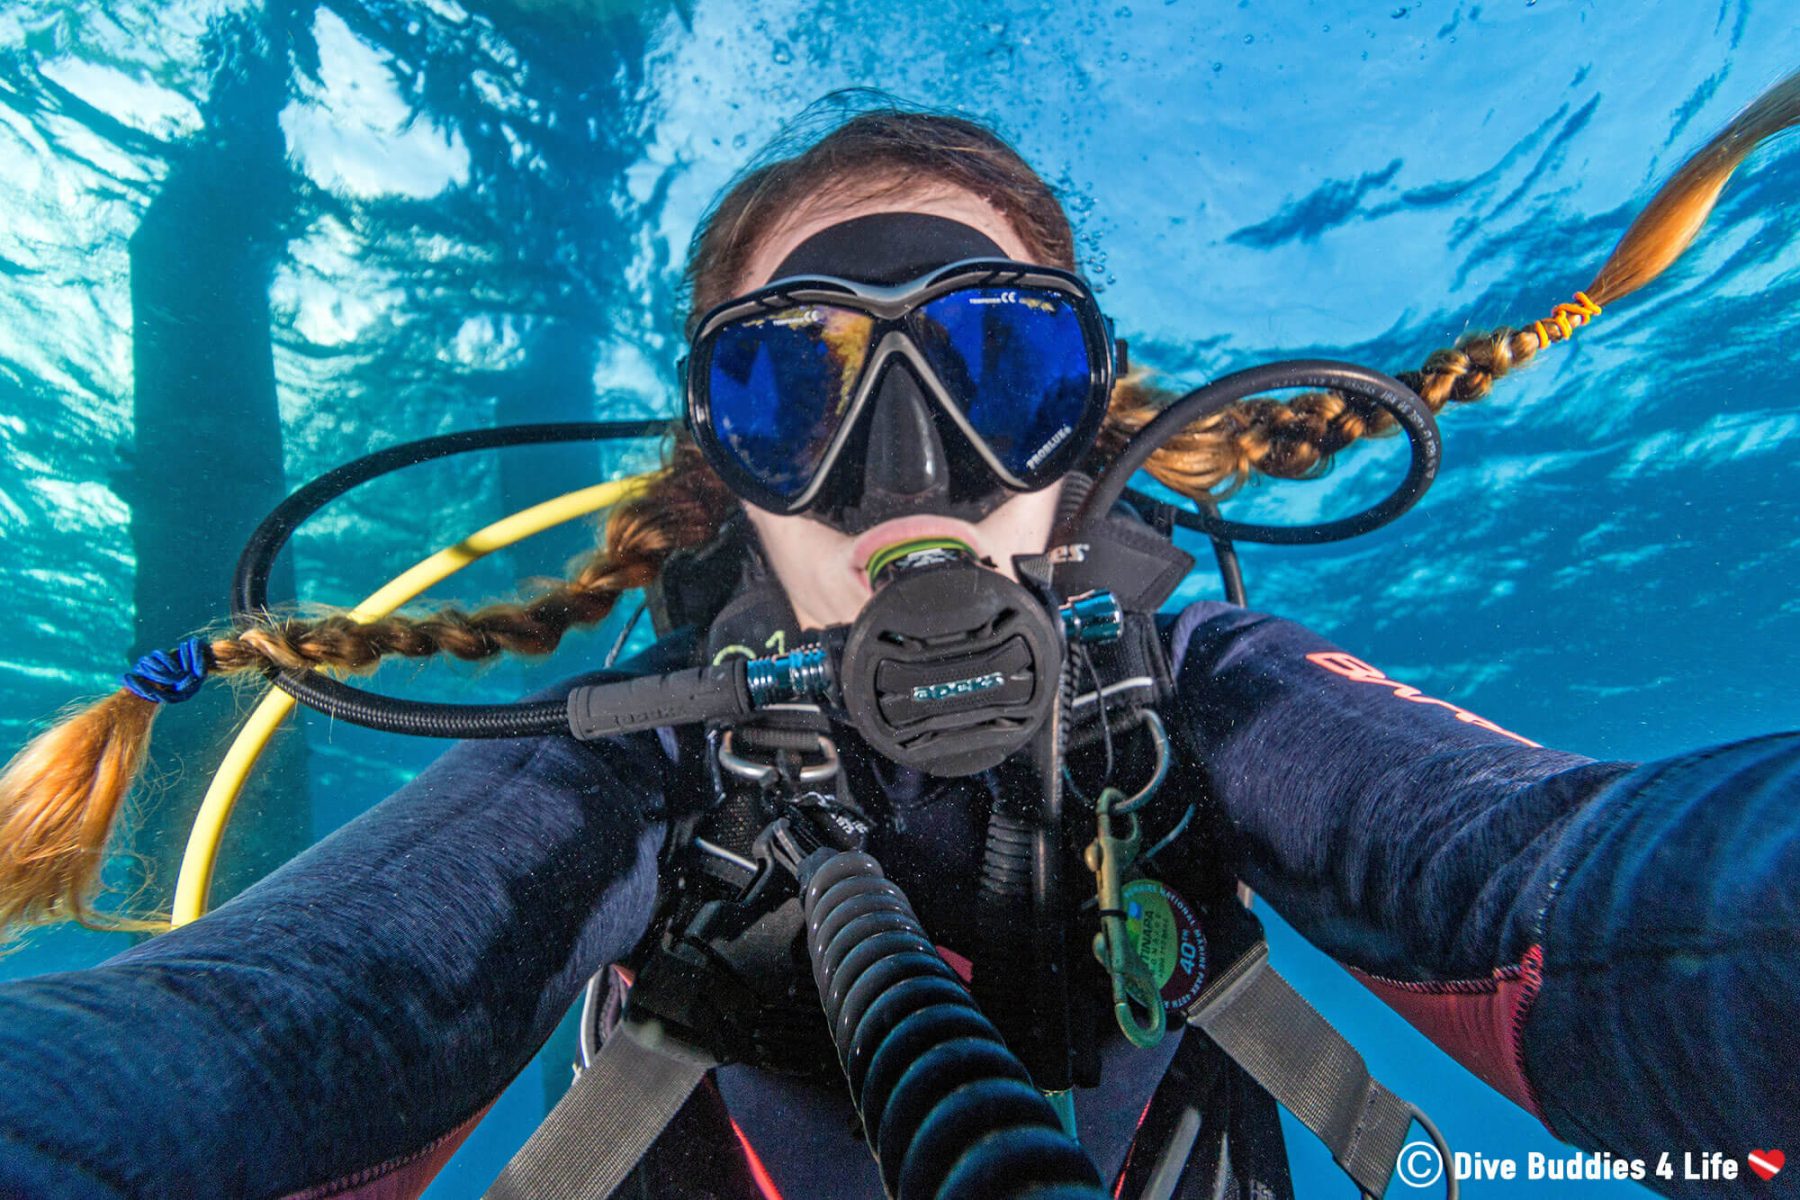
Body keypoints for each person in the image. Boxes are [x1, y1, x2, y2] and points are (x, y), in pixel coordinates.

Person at [0, 79, 1796, 1200]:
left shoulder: (1198, 691)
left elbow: (1578, 884)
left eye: (996, 364)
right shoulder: (638, 747)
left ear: (1086, 422)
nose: (905, 470)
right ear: (727, 459)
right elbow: (256, 1031)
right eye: (800, 383)